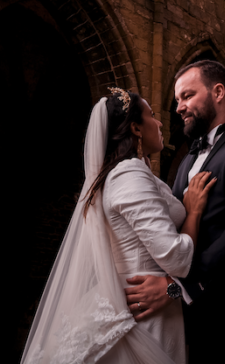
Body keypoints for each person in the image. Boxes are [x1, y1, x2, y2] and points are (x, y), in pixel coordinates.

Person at [21, 88, 215, 364]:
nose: (160, 123)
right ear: (136, 128)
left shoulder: (130, 172)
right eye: (152, 116)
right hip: (144, 310)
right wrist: (194, 211)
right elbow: (175, 256)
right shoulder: (129, 174)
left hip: (141, 299)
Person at [124, 60, 225, 364]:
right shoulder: (185, 163)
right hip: (184, 322)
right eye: (177, 100)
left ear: (218, 92)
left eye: (187, 96)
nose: (179, 107)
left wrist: (172, 288)